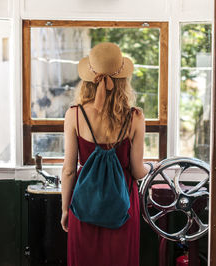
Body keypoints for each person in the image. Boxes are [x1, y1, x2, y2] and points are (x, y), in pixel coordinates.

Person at [60, 42, 150, 266]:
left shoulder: (74, 115)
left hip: (84, 205)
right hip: (123, 207)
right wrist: (151, 167)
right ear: (123, 80)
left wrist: (64, 209)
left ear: (88, 78)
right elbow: (138, 172)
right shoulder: (135, 117)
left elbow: (69, 170)